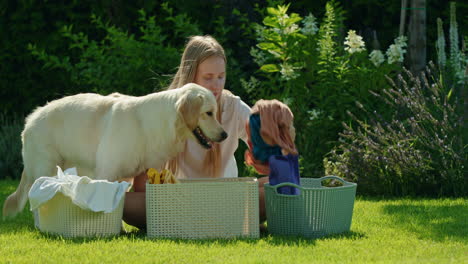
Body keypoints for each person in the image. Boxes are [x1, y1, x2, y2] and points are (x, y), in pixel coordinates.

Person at [122, 35, 268, 229]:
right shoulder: (165, 111)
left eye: (221, 76)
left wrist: (265, 155)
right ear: (191, 77)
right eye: (208, 78)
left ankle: (196, 221)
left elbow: (267, 146)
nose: (216, 85)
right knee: (122, 200)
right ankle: (211, 220)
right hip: (177, 202)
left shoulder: (233, 107)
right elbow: (141, 184)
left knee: (277, 184)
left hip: (225, 200)